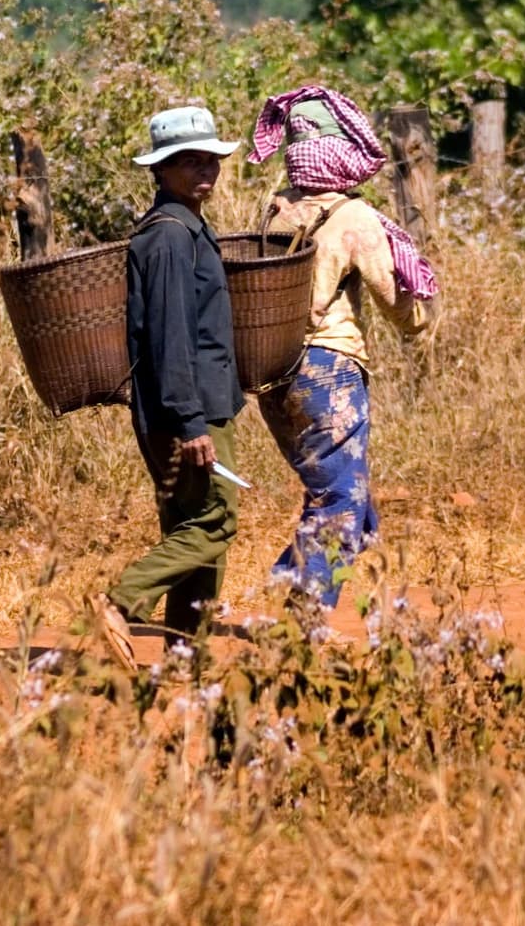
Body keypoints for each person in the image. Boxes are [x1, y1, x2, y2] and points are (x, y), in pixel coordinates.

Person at [245, 86, 438, 609]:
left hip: (272, 376)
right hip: (328, 372)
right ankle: (298, 613)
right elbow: (399, 306)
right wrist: (422, 315)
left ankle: (348, 595)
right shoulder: (354, 219)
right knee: (341, 504)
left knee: (335, 489)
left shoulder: (276, 210)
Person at [91, 106, 246, 669]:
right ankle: (118, 601)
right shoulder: (169, 239)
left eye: (211, 159)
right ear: (160, 171)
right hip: (188, 412)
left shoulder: (186, 228)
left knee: (192, 528)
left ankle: (186, 662)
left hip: (201, 407)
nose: (204, 170)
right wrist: (191, 423)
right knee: (213, 523)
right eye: (188, 161)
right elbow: (169, 336)